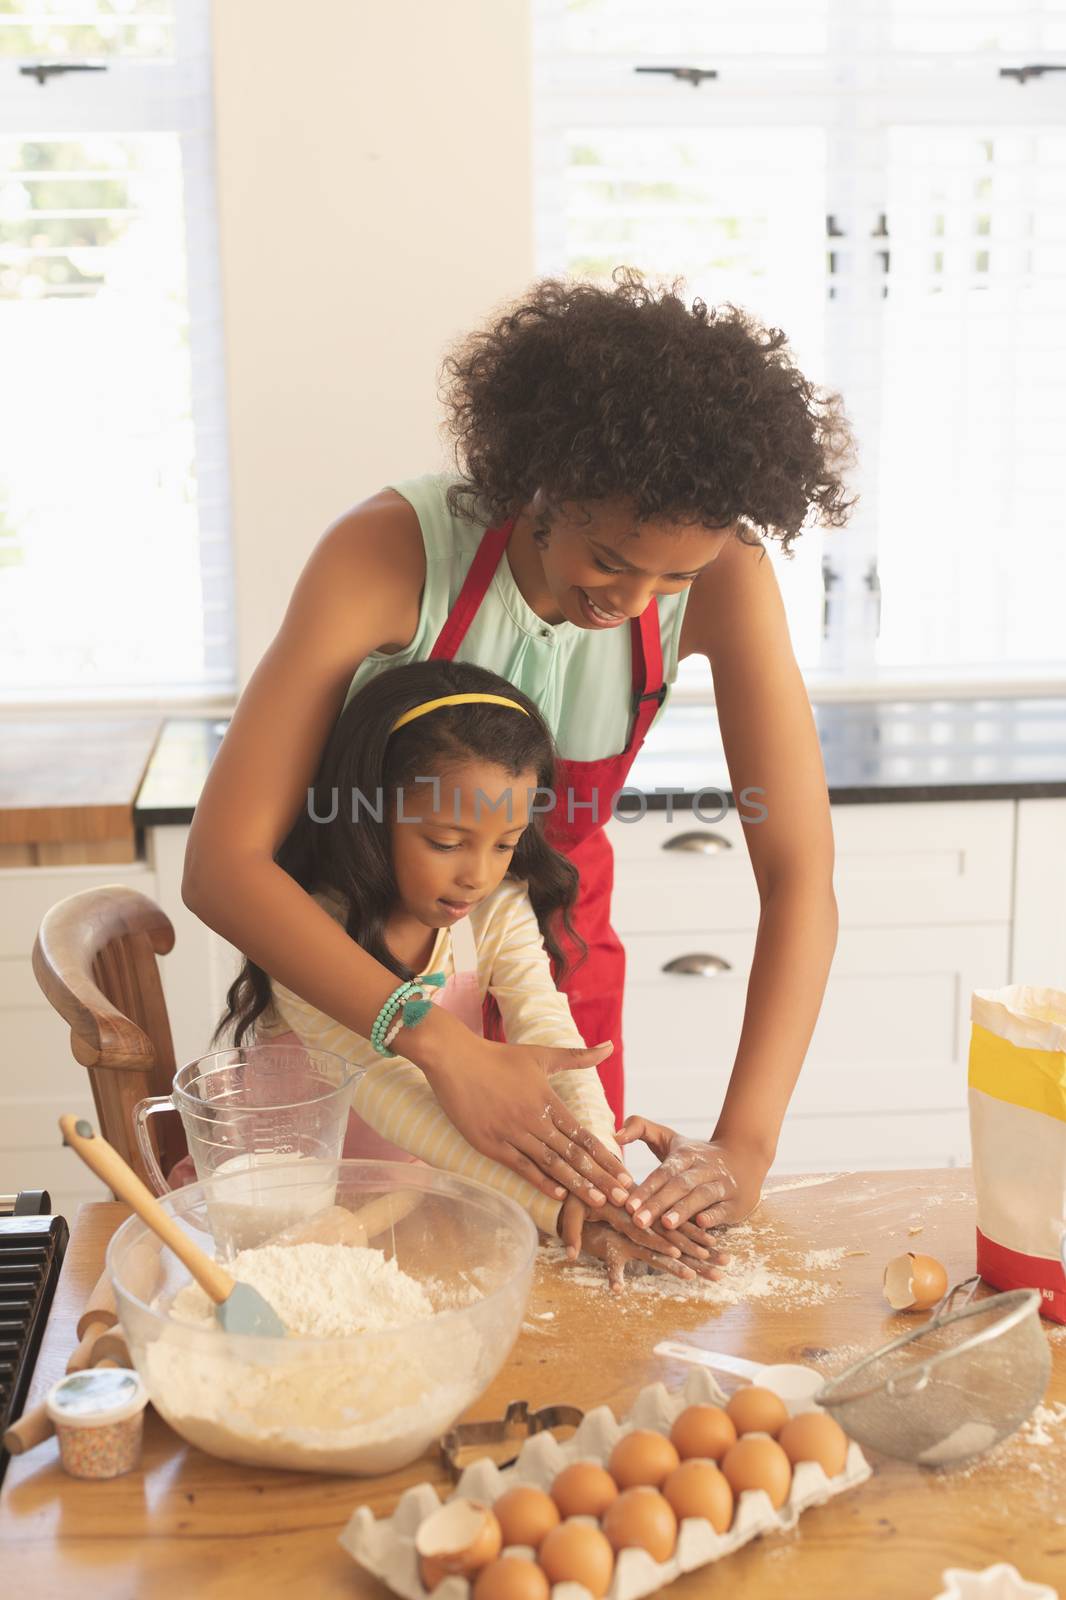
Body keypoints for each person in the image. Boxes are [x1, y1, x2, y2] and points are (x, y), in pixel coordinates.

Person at [183, 269, 848, 1239]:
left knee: (575, 1293)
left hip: (559, 989)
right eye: (609, 559)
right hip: (364, 995)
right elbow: (223, 866)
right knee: (376, 1272)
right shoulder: (387, 555)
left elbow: (798, 874)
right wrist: (435, 1042)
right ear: (542, 475)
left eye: (675, 575)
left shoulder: (725, 581)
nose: (631, 600)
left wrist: (743, 1145)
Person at [214, 658, 730, 1289]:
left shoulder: (494, 910)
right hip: (291, 1221)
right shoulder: (305, 935)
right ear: (370, 817)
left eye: (505, 842)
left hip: (425, 1208)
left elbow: (549, 1032)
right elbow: (395, 1098)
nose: (478, 876)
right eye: (446, 842)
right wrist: (565, 1208)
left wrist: (614, 1190)